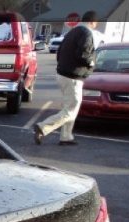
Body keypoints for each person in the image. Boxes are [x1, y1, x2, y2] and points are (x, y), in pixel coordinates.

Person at [34, 11, 99, 146]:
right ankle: (43, 126)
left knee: (69, 106)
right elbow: (83, 54)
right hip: (73, 77)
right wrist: (92, 63)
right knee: (71, 110)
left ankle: (66, 136)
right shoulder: (86, 33)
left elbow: (60, 52)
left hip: (63, 74)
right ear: (93, 22)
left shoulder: (72, 32)